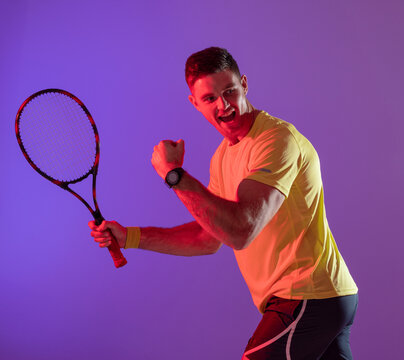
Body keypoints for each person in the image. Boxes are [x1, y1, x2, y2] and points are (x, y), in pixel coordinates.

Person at [89, 47, 358, 359]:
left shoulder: (276, 140)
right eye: (210, 98)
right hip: (322, 297)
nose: (224, 105)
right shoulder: (223, 157)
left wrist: (175, 175)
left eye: (229, 91)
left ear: (244, 84)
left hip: (307, 295)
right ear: (195, 103)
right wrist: (130, 237)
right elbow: (208, 237)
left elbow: (241, 230)